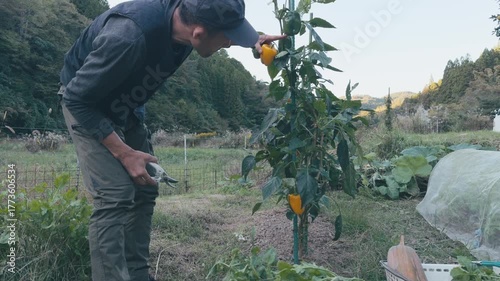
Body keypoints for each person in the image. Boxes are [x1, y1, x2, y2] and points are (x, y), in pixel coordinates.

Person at [58, 0, 284, 280]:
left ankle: (138, 274)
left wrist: (254, 41)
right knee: (115, 195)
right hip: (86, 102)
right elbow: (77, 99)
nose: (228, 44)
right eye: (228, 38)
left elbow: (220, 27)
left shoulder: (190, 16)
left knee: (146, 187)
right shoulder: (127, 36)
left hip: (125, 103)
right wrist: (124, 153)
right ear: (198, 34)